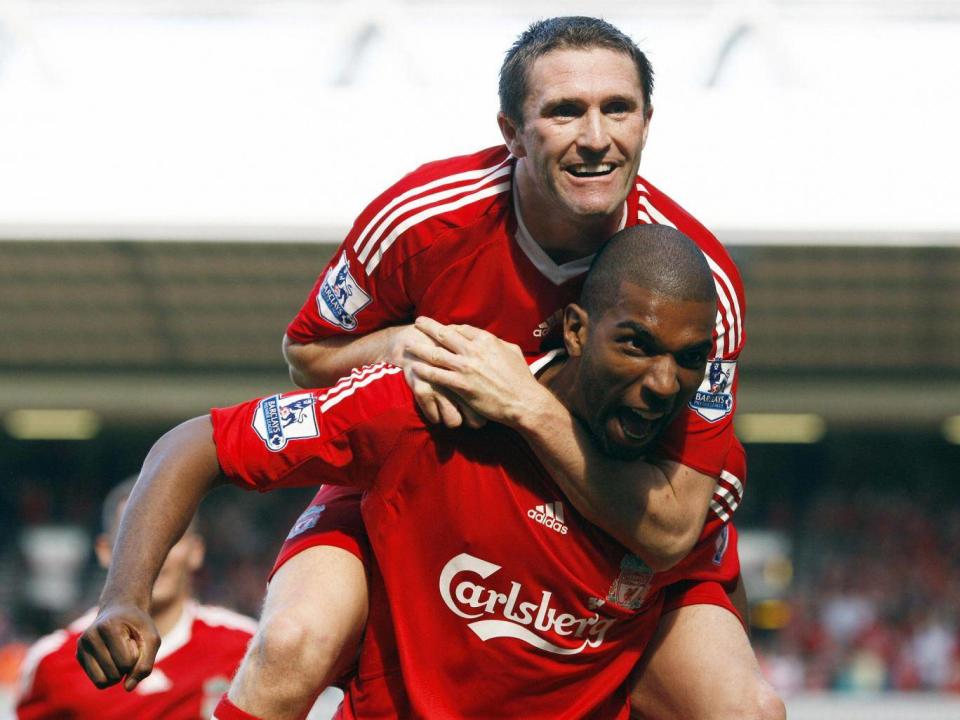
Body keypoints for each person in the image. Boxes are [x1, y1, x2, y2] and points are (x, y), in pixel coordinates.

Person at [220, 16, 775, 720]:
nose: (597, 137)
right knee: (291, 644)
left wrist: (526, 403)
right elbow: (308, 354)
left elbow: (675, 520)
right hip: (420, 490)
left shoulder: (697, 283)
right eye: (565, 111)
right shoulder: (420, 218)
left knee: (747, 710)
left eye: (618, 109)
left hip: (612, 525)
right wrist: (412, 350)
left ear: (648, 121)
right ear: (512, 131)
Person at [78, 225, 754, 719]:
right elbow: (197, 444)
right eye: (635, 345)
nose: (663, 382)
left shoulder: (692, 482)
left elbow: (716, 594)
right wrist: (123, 597)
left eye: (689, 359)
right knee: (291, 641)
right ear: (575, 329)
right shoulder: (434, 403)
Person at [16, 478, 256, 720]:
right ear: (104, 551)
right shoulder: (52, 663)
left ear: (196, 551)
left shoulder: (249, 649)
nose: (153, 557)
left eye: (171, 538)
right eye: (131, 540)